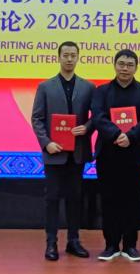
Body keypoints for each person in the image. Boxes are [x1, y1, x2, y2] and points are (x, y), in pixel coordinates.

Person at [30, 41, 94, 261]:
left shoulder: (88, 87)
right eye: (65, 55)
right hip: (54, 153)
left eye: (73, 55)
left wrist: (87, 127)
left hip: (77, 152)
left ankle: (73, 241)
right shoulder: (45, 87)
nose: (69, 59)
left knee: (75, 198)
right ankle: (51, 242)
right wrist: (46, 142)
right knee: (52, 198)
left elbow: (97, 117)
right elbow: (37, 118)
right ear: (58, 57)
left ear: (78, 58)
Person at [91, 49, 140, 262]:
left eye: (129, 65)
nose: (125, 68)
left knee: (133, 200)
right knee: (109, 200)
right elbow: (98, 117)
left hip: (134, 154)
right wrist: (117, 134)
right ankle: (110, 244)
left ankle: (130, 245)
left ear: (136, 68)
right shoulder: (102, 91)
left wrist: (130, 136)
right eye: (121, 64)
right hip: (108, 154)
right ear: (115, 65)